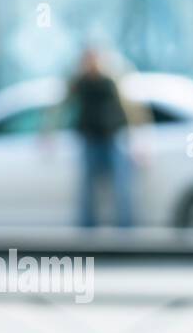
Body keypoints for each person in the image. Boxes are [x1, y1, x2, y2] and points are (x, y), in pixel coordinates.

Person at [59, 48, 147, 228]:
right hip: (90, 139)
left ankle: (126, 227)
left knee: (122, 184)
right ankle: (87, 227)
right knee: (87, 187)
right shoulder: (79, 83)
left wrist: (139, 136)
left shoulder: (111, 81)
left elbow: (131, 108)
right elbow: (61, 105)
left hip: (113, 137)